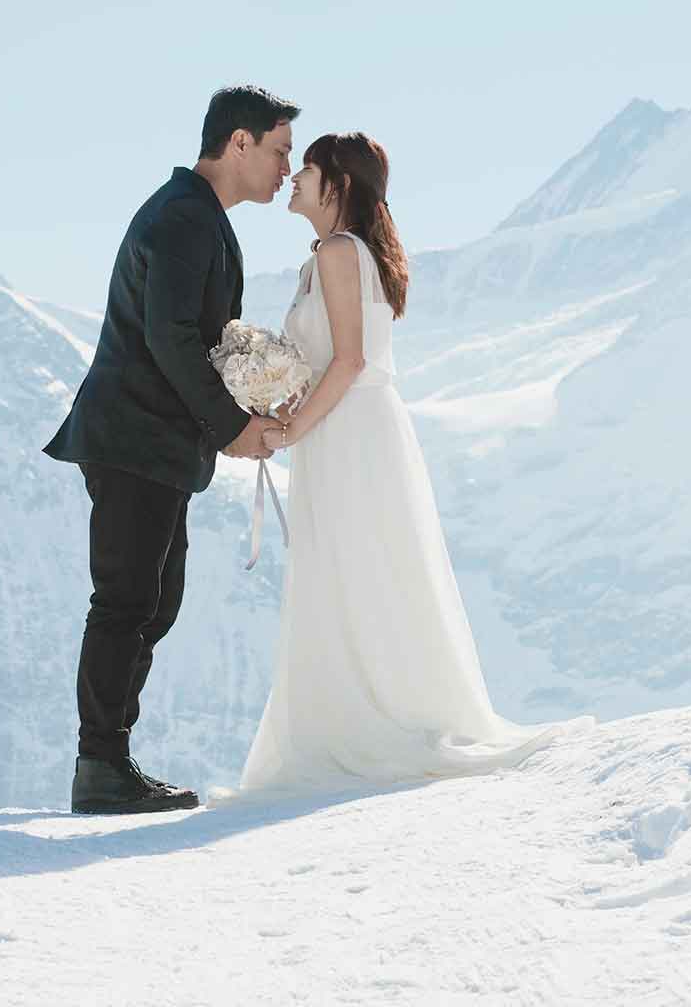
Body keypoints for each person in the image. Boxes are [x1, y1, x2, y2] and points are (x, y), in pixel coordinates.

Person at [242, 132, 588, 793]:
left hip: (352, 431)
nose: (293, 177)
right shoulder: (323, 259)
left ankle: (377, 719)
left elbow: (350, 361)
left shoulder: (343, 253)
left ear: (336, 184)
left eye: (306, 169)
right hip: (335, 429)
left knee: (361, 565)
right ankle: (352, 714)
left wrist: (290, 430)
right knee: (346, 569)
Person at [44, 85, 299, 814]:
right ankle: (100, 767)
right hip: (132, 435)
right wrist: (234, 427)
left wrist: (255, 389)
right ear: (239, 143)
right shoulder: (186, 218)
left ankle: (112, 759)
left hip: (152, 441)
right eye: (279, 151)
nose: (286, 168)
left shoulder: (194, 215)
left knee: (155, 602)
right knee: (126, 600)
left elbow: (200, 337)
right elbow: (171, 337)